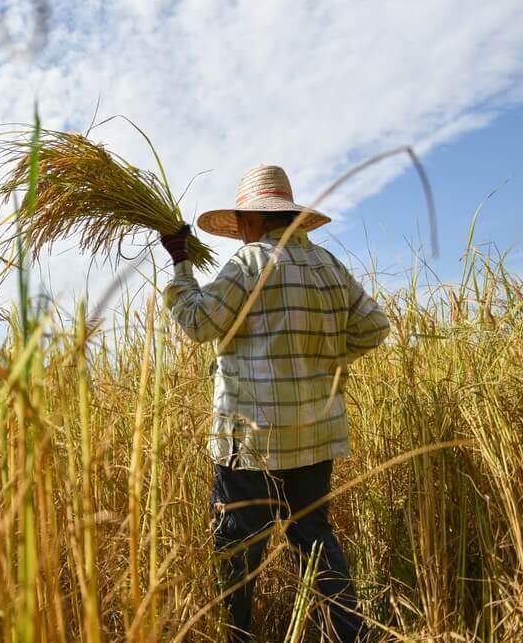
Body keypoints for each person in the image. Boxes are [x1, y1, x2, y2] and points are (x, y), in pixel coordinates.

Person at [159, 165, 389, 642]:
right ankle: (350, 636)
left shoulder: (249, 264)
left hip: (251, 441)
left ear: (251, 220)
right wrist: (323, 359)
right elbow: (374, 327)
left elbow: (199, 322)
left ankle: (237, 637)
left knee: (236, 552)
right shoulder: (328, 265)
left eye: (243, 221)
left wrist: (181, 262)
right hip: (314, 436)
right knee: (314, 542)